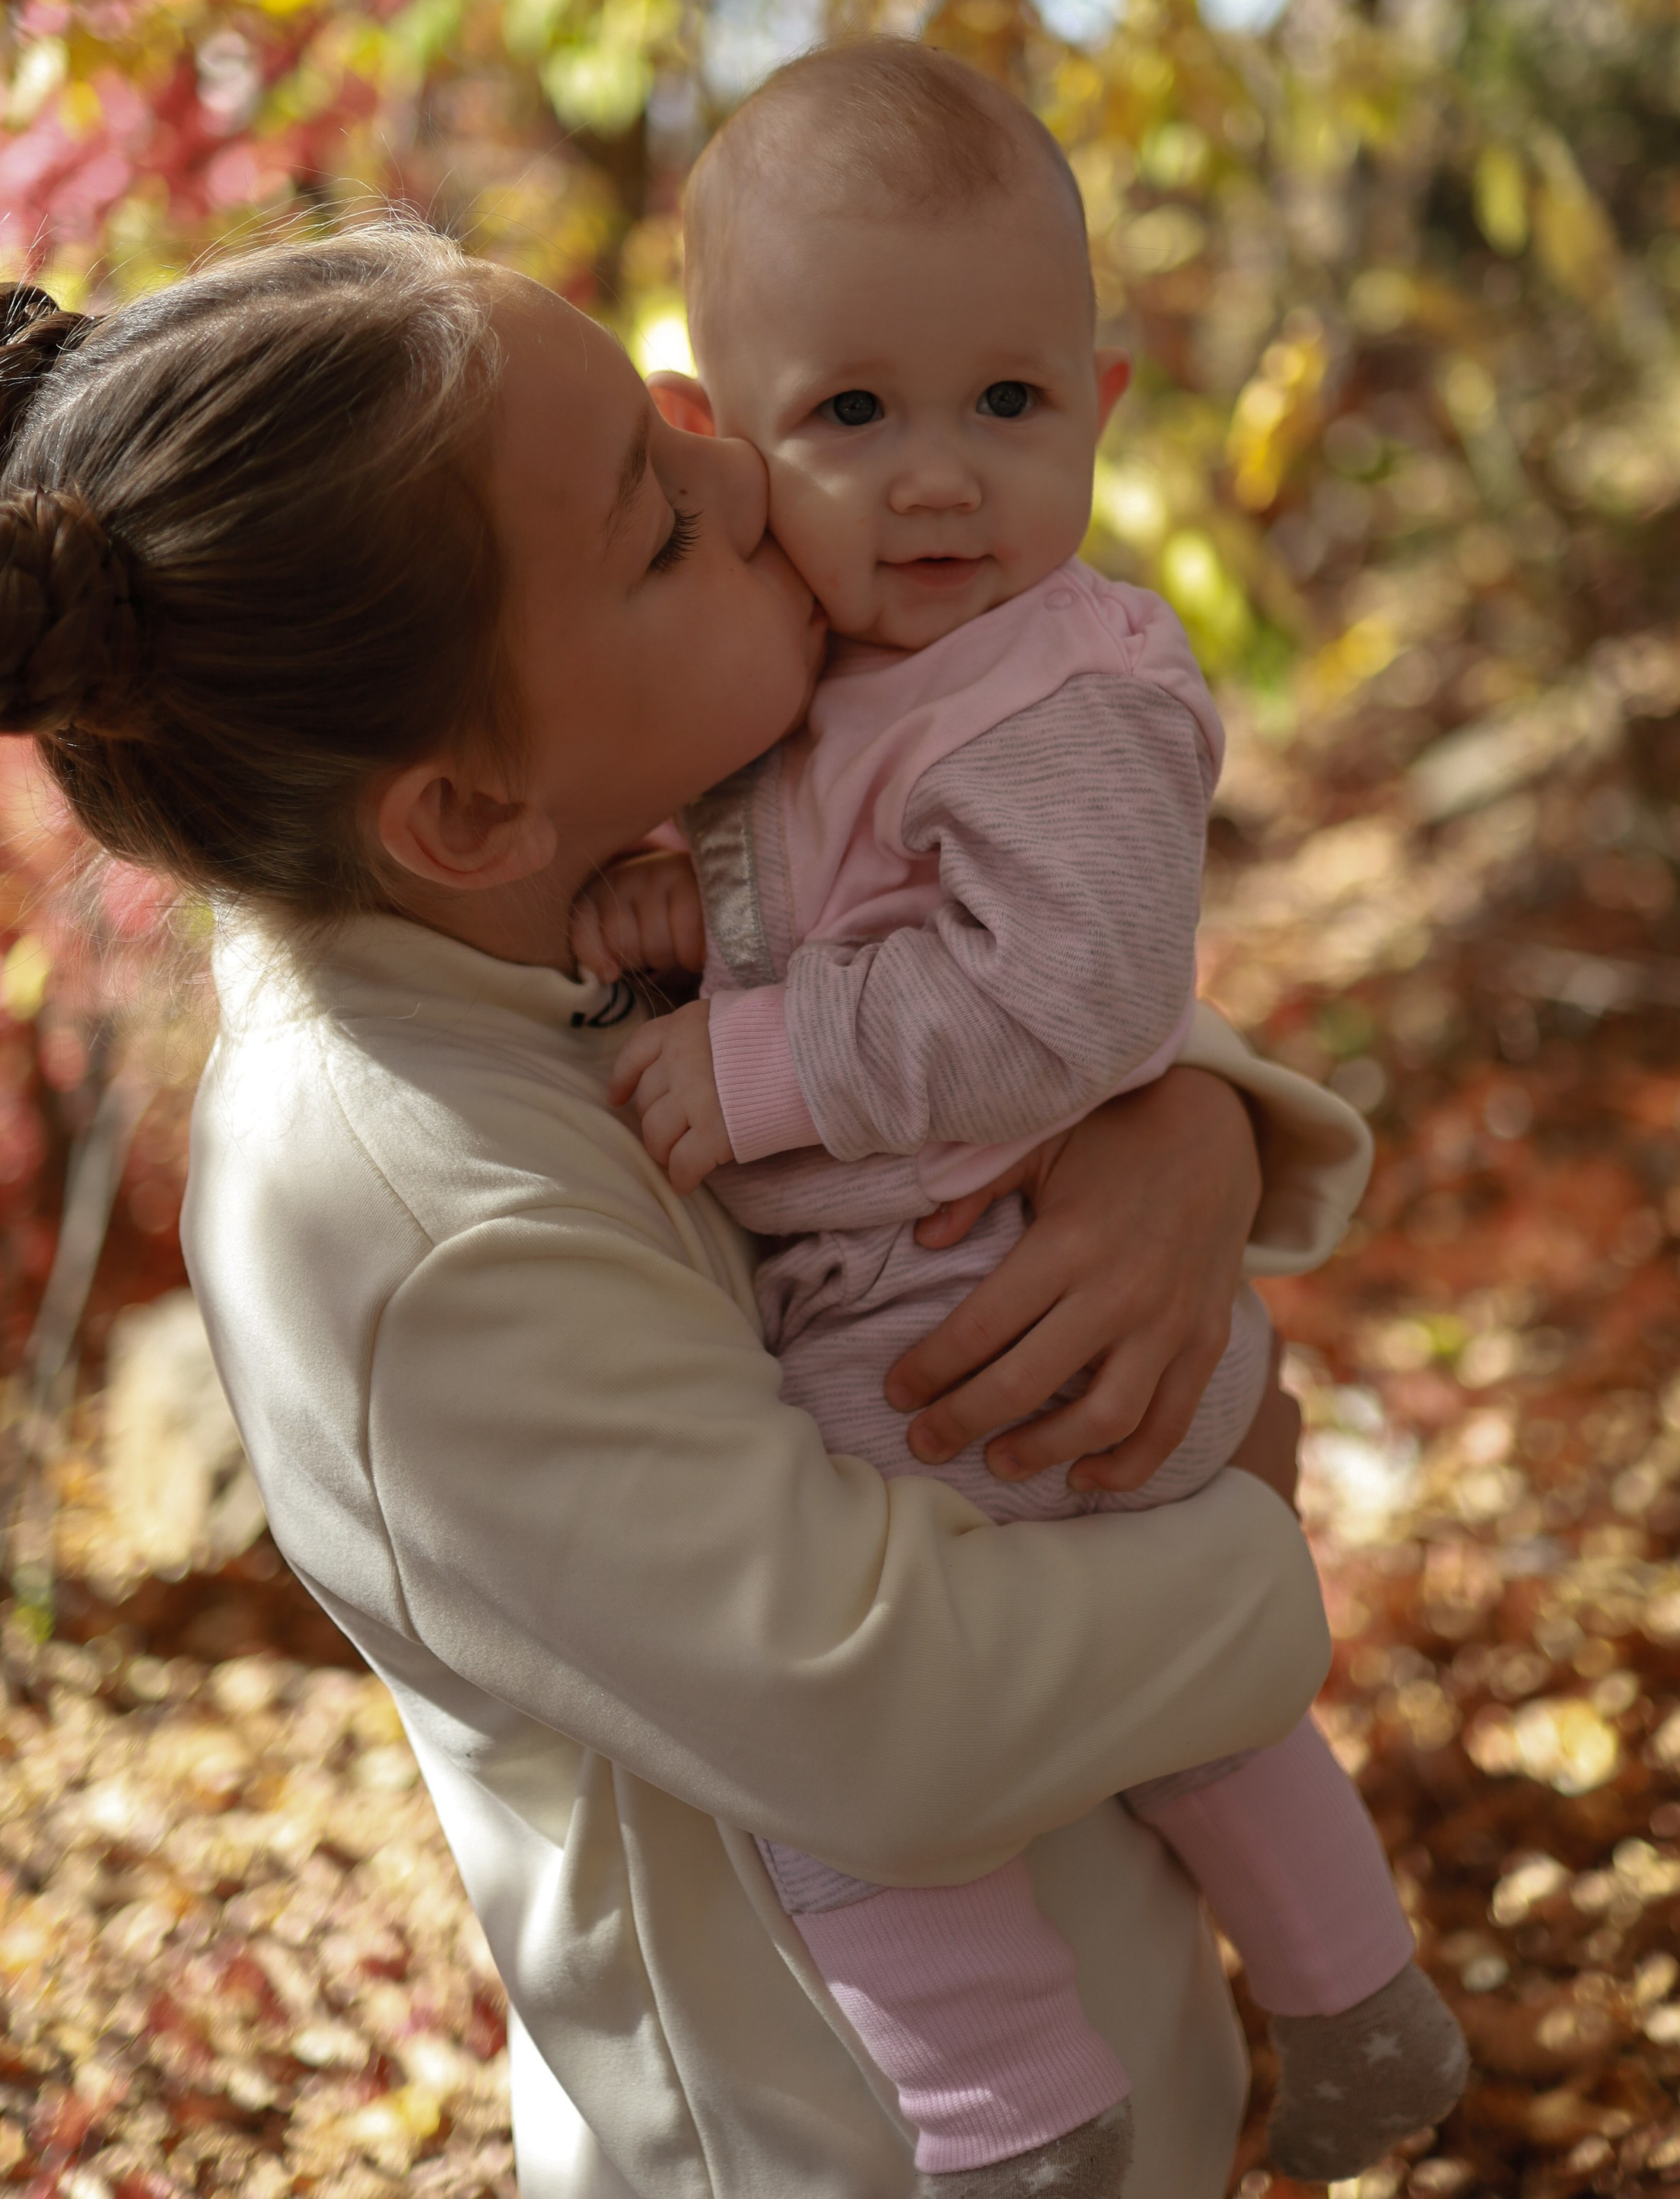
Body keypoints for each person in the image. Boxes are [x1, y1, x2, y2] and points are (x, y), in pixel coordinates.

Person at [0, 222, 1382, 2199]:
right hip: (833, 2142)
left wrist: (1192, 1131)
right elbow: (882, 1721)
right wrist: (1250, 1527)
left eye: (679, 426)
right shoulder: (403, 1210)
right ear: (462, 804)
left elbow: (979, 997)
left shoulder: (574, 872)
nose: (746, 477)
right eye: (660, 525)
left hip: (1089, 2067)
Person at [575, 42, 1466, 2196]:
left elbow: (1070, 994)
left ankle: (1010, 2119)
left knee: (843, 1775)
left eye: (1009, 405)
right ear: (721, 429)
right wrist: (664, 917)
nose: (943, 480)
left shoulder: (1051, 686)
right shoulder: (820, 686)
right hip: (954, 1295)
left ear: (1105, 396)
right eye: (855, 415)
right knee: (1183, 1714)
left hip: (979, 1304)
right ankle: (1359, 2009)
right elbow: (804, 891)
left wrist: (752, 1062)